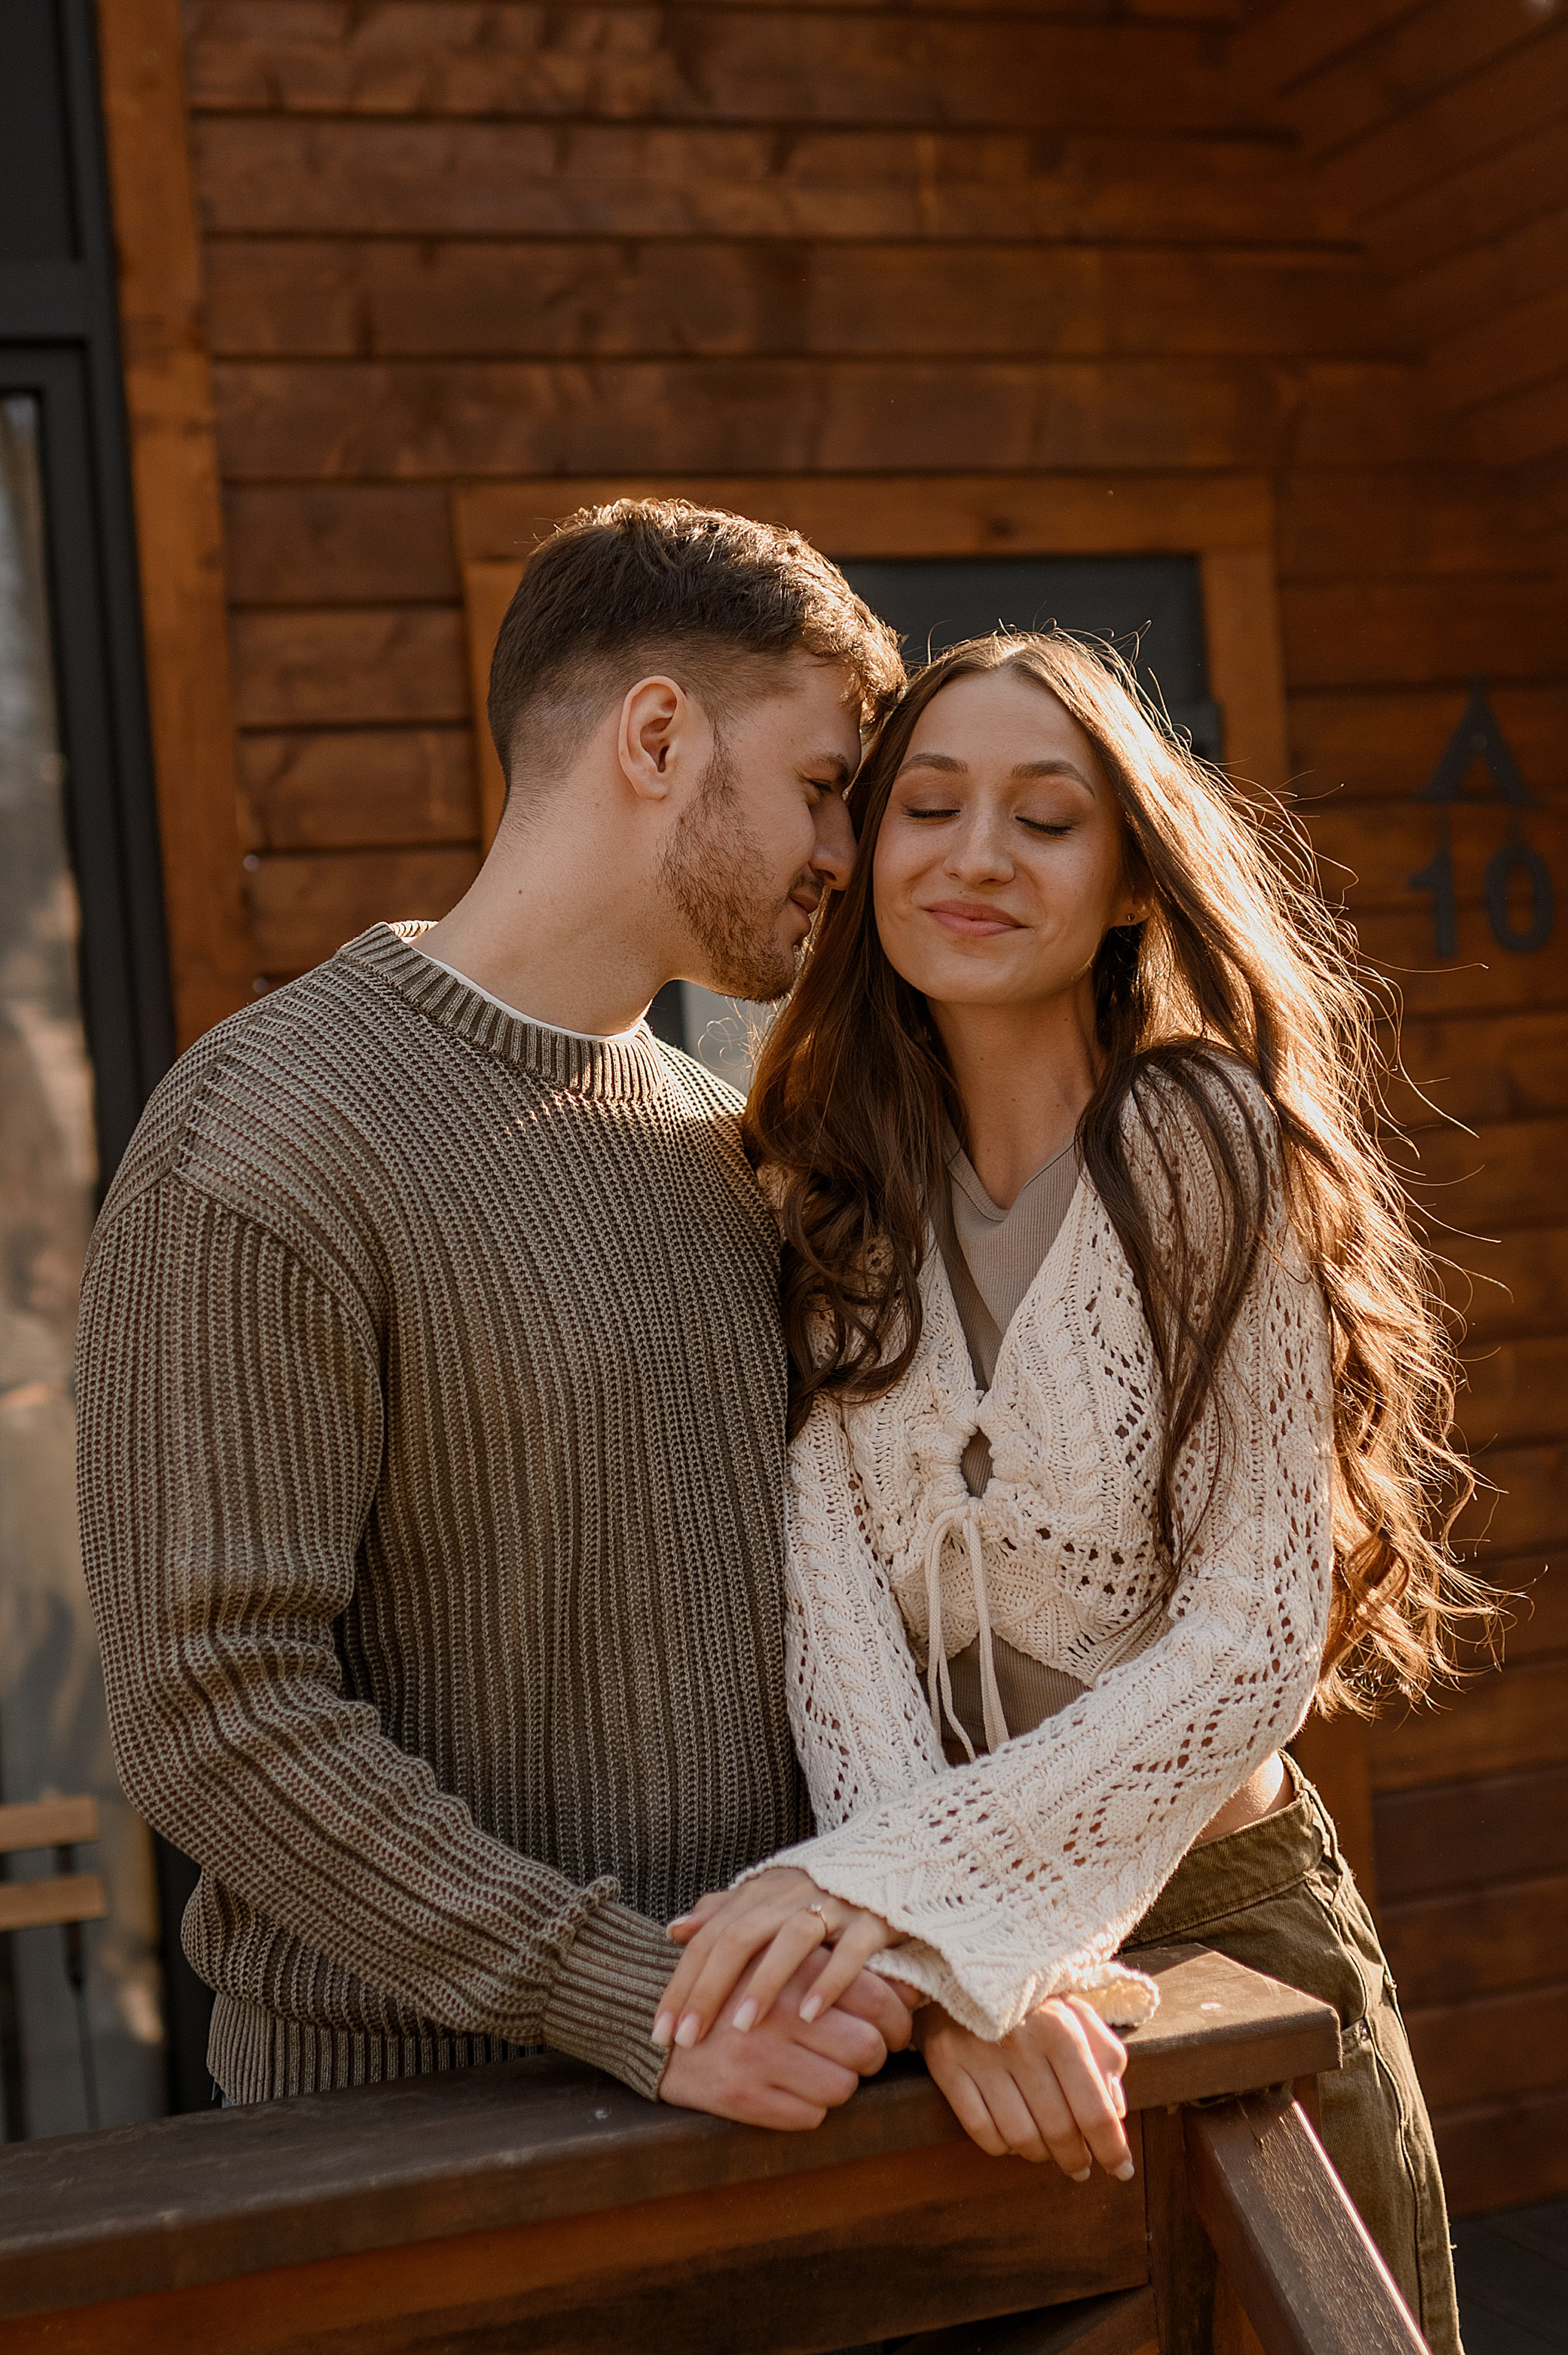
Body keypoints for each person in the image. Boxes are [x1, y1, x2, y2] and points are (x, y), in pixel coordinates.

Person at [656, 632, 1484, 2352]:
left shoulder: (1199, 1143)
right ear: (869, 851)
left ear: (1124, 884)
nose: (973, 856)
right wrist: (961, 1967)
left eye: (1045, 819)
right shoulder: (830, 1194)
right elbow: (837, 1639)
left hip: (1229, 1933)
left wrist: (909, 1904)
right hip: (977, 1997)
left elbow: (1254, 1636)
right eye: (929, 807)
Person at [76, 497, 919, 2128]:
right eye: (827, 787)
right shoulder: (263, 1135)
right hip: (416, 2166)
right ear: (659, 735)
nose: (850, 856)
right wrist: (630, 1994)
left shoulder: (714, 1135)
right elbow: (214, 1707)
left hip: (764, 2107)